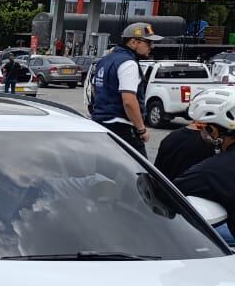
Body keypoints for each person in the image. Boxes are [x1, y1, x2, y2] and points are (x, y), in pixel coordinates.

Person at [88, 22, 161, 158]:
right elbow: (128, 100)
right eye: (148, 42)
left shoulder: (105, 60)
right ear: (133, 42)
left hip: (101, 124)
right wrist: (141, 129)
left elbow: (94, 89)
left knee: (105, 169)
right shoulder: (128, 64)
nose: (151, 47)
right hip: (122, 128)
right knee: (140, 173)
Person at [174, 87, 235, 242]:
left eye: (201, 127)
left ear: (213, 130)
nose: (200, 133)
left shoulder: (210, 171)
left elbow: (169, 195)